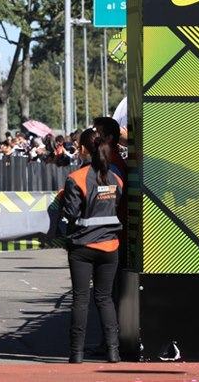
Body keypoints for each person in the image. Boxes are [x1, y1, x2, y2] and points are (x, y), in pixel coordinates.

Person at [60, 127, 123, 364]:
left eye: (79, 146)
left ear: (84, 149)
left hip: (82, 247)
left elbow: (70, 214)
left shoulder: (76, 178)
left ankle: (76, 353)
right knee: (105, 299)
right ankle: (113, 352)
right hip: (110, 246)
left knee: (80, 299)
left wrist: (62, 198)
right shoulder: (116, 178)